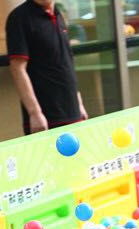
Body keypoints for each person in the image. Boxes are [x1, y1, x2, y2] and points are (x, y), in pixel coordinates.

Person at [6, 0, 88, 135]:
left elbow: (66, 62)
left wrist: (78, 102)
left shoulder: (58, 14)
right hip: (46, 118)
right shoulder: (19, 17)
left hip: (72, 110)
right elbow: (18, 69)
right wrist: (35, 113)